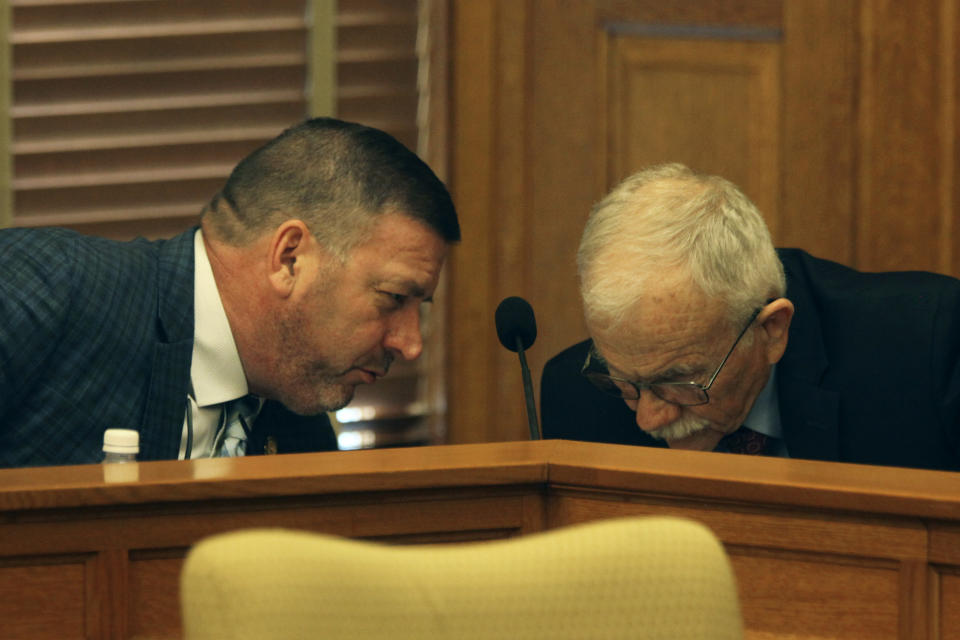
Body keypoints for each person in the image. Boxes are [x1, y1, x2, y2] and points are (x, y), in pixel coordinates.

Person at [0, 117, 460, 467]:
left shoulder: (302, 435)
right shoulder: (47, 285)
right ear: (289, 258)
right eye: (395, 298)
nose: (411, 343)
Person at [540, 162, 960, 471]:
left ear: (772, 330)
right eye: (625, 382)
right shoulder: (578, 398)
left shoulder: (928, 350)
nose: (649, 417)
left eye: (678, 382)